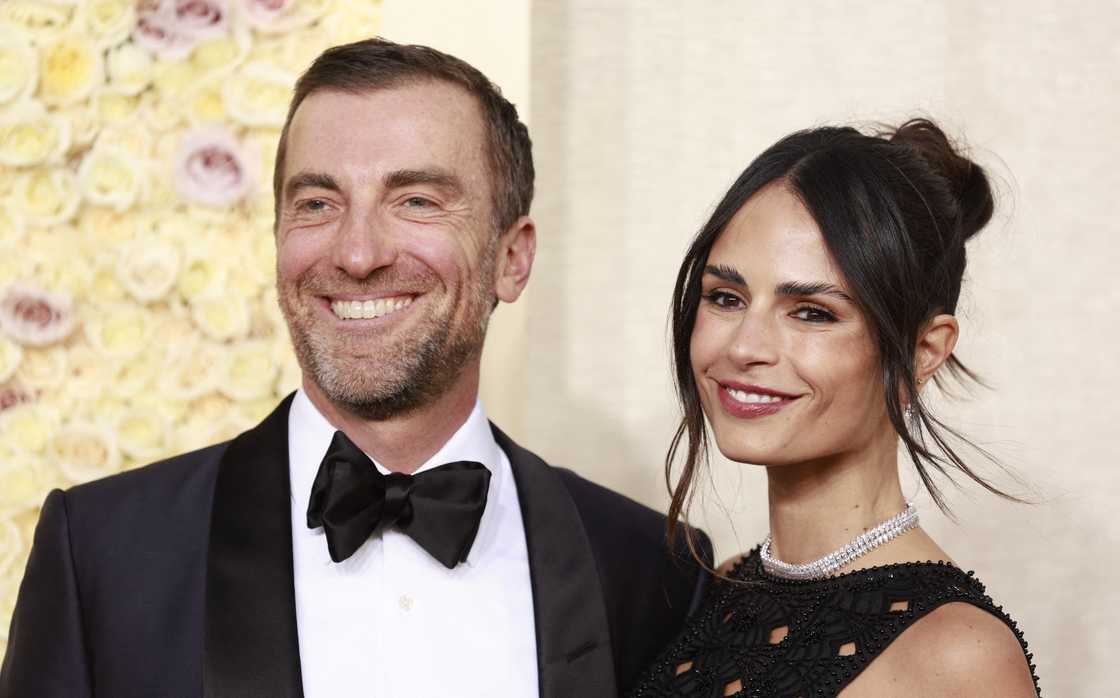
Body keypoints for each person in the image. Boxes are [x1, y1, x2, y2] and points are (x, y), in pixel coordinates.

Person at [0, 38, 710, 698]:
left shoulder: (656, 573)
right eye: (318, 203)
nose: (359, 254)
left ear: (512, 257)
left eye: (416, 201)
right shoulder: (98, 555)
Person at [628, 119, 1040, 697]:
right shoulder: (725, 590)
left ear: (925, 351)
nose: (743, 347)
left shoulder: (955, 656)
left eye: (812, 312)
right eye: (726, 298)